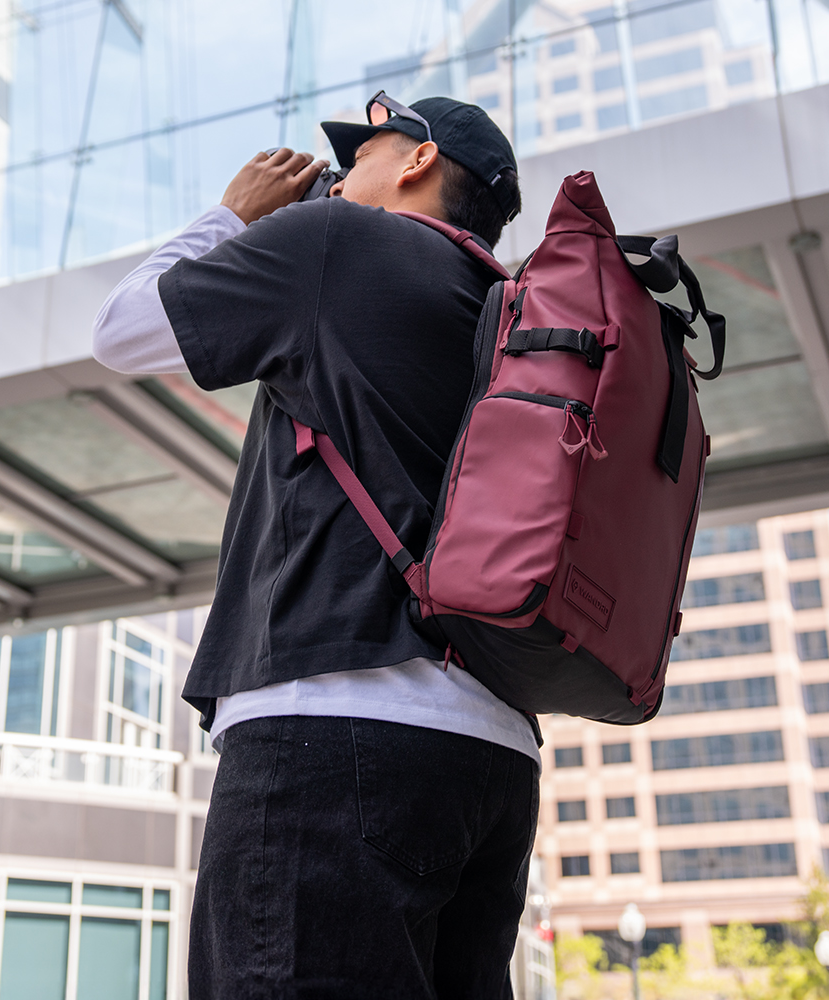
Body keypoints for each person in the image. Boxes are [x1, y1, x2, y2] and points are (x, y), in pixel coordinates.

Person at [91, 93, 533, 999]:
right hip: (496, 754)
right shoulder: (515, 315)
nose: (337, 174)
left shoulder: (336, 242)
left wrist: (232, 215)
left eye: (362, 152)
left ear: (417, 162)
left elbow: (122, 330)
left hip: (335, 726)